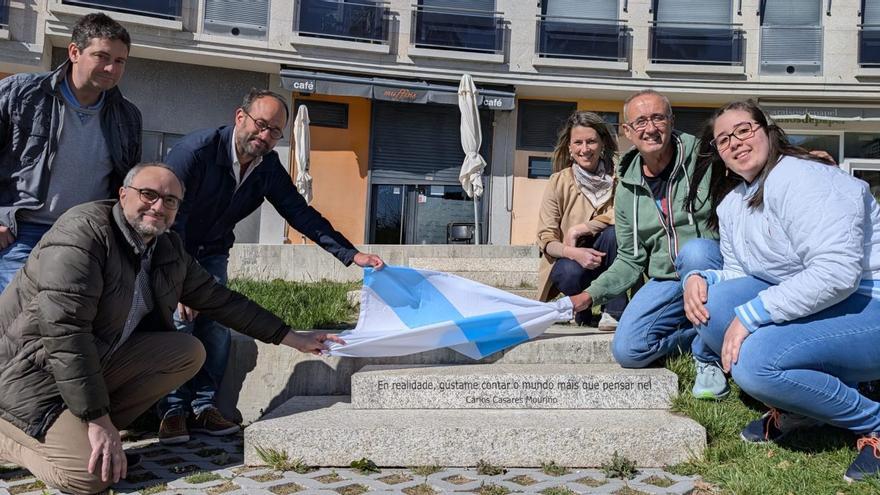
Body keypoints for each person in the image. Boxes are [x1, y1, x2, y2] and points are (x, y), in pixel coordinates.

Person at [0, 163, 343, 495]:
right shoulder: (82, 233)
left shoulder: (165, 249)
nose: (158, 206)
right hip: (24, 377)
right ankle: (20, 437)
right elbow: (66, 332)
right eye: (147, 194)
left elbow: (219, 299)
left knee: (186, 352)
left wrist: (293, 337)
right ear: (123, 194)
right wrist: (98, 419)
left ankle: (86, 433)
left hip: (83, 370)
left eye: (170, 201)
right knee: (87, 479)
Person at [157, 89, 384, 444]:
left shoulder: (268, 168)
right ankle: (172, 410)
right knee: (178, 321)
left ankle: (204, 408)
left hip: (213, 250)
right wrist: (180, 282)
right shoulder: (195, 153)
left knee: (216, 323)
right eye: (260, 125)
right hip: (172, 248)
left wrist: (350, 254)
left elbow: (300, 214)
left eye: (274, 132)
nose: (264, 137)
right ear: (240, 117)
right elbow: (172, 223)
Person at [682, 99, 880, 483]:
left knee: (755, 364)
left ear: (768, 132)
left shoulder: (803, 177)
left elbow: (837, 273)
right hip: (837, 301)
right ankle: (802, 408)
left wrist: (750, 316)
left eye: (744, 130)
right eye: (724, 139)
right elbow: (742, 272)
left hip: (870, 301)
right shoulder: (733, 204)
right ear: (720, 155)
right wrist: (702, 279)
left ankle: (871, 420)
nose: (735, 142)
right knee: (713, 302)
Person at [568, 90, 724, 398]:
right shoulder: (626, 187)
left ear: (671, 121)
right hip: (667, 280)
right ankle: (697, 336)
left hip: (712, 272)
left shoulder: (706, 158)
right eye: (640, 121)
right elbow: (629, 259)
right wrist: (588, 296)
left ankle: (709, 356)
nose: (650, 128)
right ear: (627, 131)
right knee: (628, 350)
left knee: (695, 251)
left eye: (657, 118)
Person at [0, 12, 141, 291]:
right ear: (74, 52)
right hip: (21, 233)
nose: (111, 68)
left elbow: (126, 185)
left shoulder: (127, 116)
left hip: (86, 238)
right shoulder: (21, 93)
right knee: (16, 316)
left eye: (119, 61)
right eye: (102, 56)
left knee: (69, 321)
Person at [536, 111, 627, 330]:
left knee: (614, 234)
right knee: (568, 271)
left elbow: (624, 213)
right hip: (571, 261)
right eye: (578, 142)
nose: (584, 149)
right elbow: (545, 238)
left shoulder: (620, 177)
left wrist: (582, 228)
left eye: (591, 141)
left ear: (602, 143)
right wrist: (575, 252)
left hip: (610, 258)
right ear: (569, 147)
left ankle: (614, 312)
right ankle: (581, 310)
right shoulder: (558, 181)